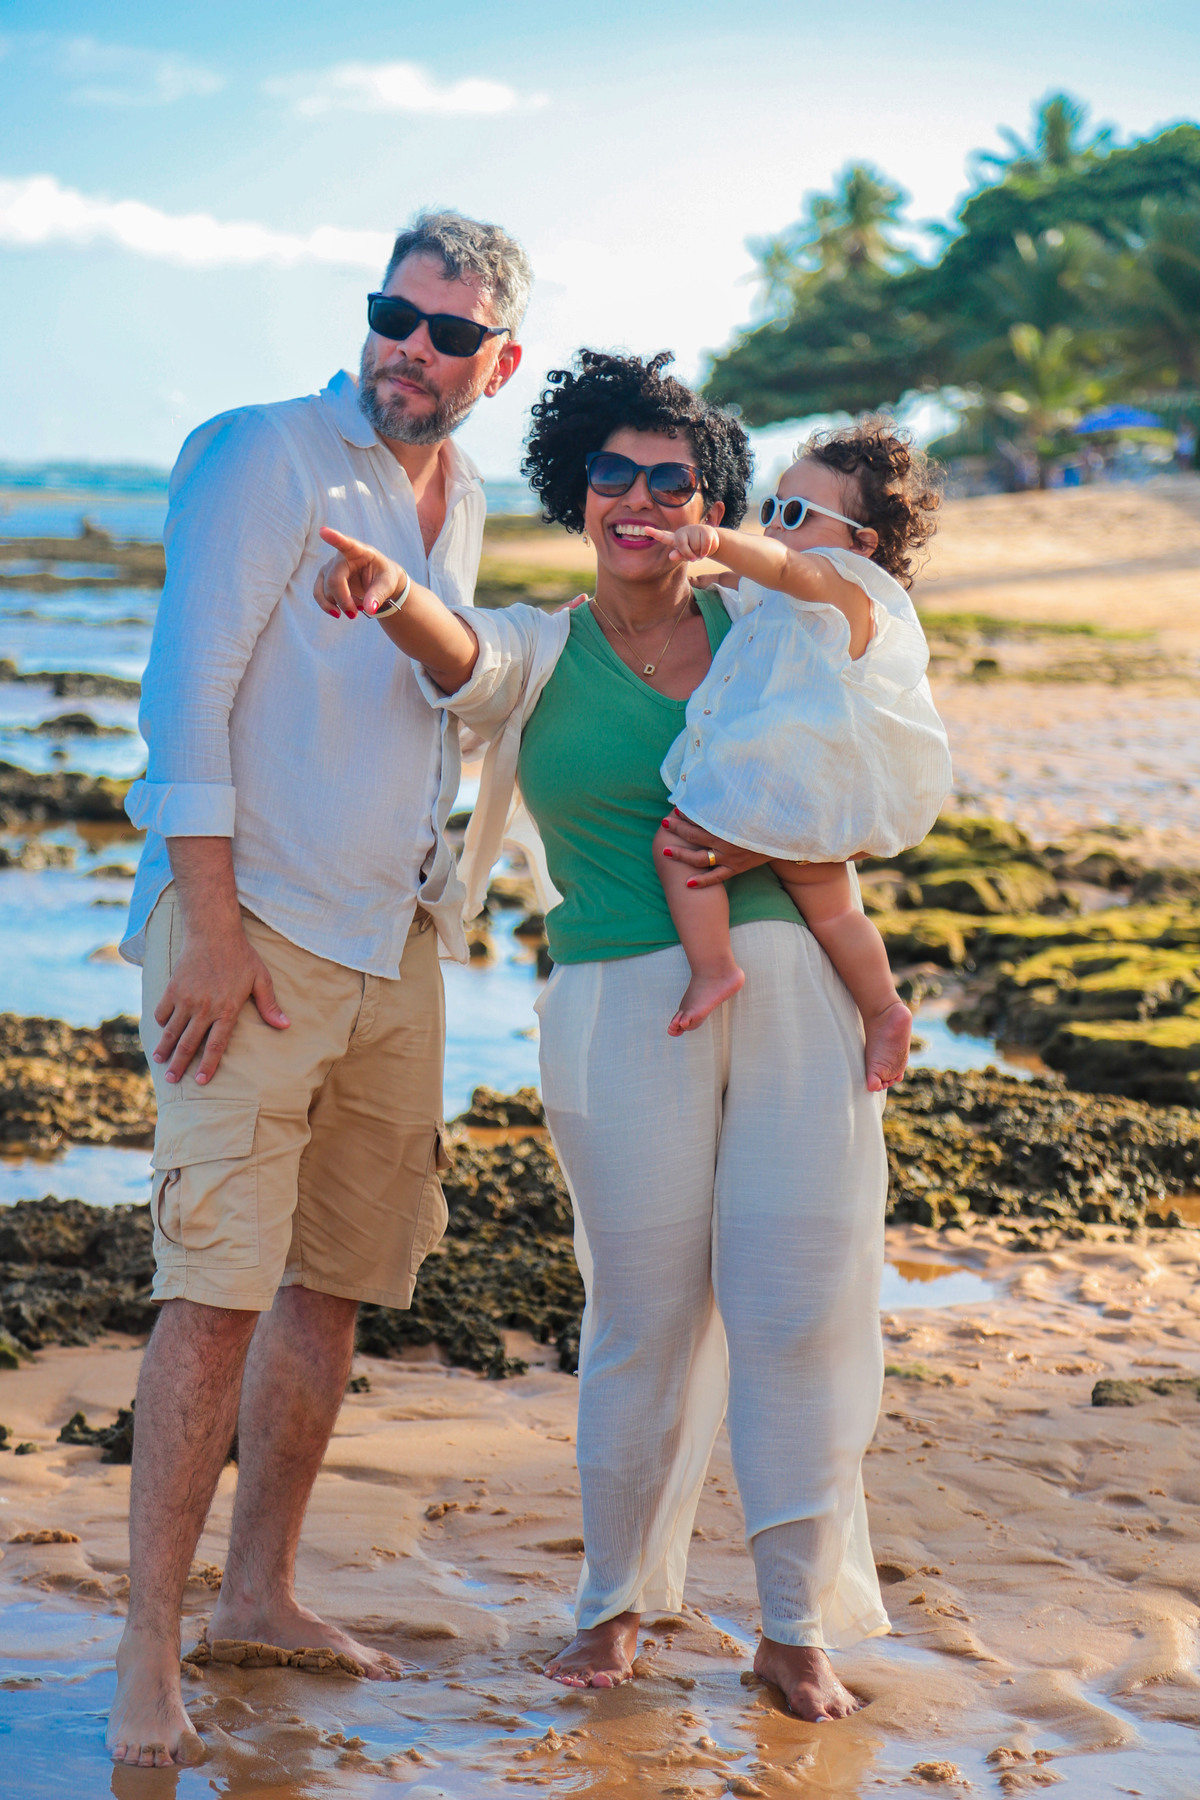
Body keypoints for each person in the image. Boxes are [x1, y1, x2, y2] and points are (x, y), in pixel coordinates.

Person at [313, 349, 946, 1722]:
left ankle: (791, 1629)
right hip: (612, 999)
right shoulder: (550, 647)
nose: (641, 498)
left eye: (674, 480)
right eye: (614, 473)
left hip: (789, 995)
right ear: (578, 489)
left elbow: (855, 714)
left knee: (794, 1310)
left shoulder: (765, 631)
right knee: (641, 1317)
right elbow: (469, 663)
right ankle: (615, 1605)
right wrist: (394, 591)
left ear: (713, 505)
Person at [108, 209, 529, 1770]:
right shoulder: (266, 454)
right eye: (391, 315)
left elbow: (442, 696)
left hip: (391, 944)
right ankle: (149, 1643)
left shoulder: (463, 489)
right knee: (212, 1293)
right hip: (255, 929)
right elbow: (184, 693)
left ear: (501, 359)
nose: (407, 349)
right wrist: (207, 926)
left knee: (333, 1285)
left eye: (445, 331)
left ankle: (259, 1594)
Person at [643, 422, 951, 1086]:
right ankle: (885, 1008)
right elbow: (753, 577)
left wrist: (717, 539)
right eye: (773, 509)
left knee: (675, 843)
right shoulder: (794, 593)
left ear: (862, 543)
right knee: (837, 910)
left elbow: (782, 565)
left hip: (778, 785)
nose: (777, 527)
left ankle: (714, 967)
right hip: (809, 792)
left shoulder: (842, 585)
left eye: (797, 514)